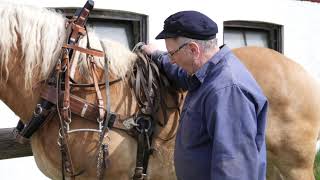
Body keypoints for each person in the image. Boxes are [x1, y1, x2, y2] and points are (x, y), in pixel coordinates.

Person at [142, 10, 268, 180]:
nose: (171, 60)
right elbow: (180, 73)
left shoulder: (227, 91)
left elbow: (234, 170)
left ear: (194, 49)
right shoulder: (207, 73)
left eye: (172, 54)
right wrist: (157, 56)